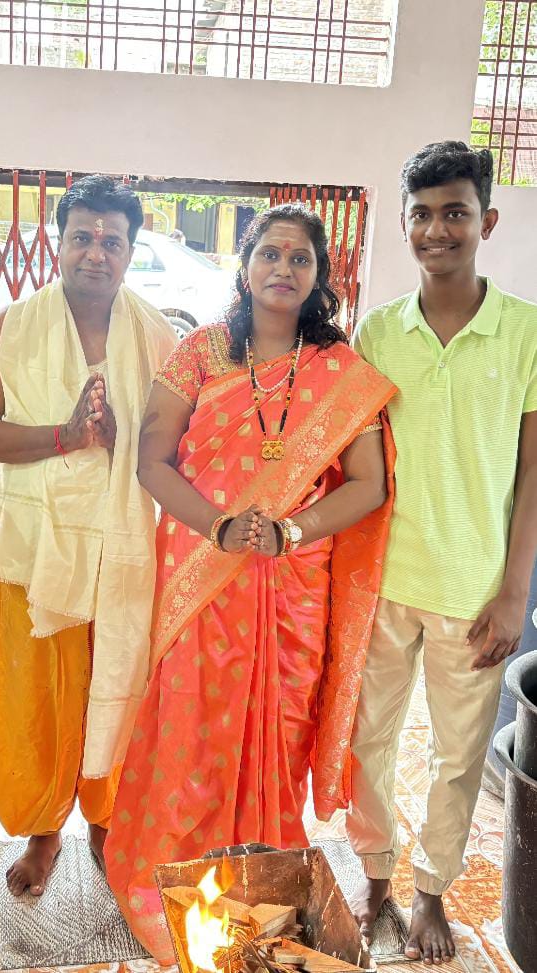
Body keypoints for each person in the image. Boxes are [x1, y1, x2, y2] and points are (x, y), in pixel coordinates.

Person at [105, 204, 396, 964]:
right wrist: (218, 526)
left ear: (317, 275)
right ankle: (179, 868)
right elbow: (151, 458)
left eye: (299, 258)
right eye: (268, 253)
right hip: (206, 575)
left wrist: (293, 529)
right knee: (190, 721)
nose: (282, 269)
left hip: (294, 585)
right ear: (244, 265)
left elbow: (369, 484)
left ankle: (260, 865)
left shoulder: (341, 370)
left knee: (280, 729)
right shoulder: (200, 353)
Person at [0, 175, 178, 897]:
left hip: (121, 551)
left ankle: (107, 822)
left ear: (130, 250)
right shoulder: (11, 327)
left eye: (111, 241)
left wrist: (122, 438)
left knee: (116, 688)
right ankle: (45, 829)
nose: (95, 253)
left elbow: (177, 450)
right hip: (36, 548)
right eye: (80, 237)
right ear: (57, 243)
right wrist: (63, 434)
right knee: (38, 699)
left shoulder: (157, 337)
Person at [346, 141, 537, 966]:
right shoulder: (376, 332)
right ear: (403, 224)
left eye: (453, 212)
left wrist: (512, 592)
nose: (436, 229)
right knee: (366, 742)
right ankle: (374, 878)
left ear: (484, 220)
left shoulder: (526, 331)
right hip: (380, 580)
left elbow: (533, 469)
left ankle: (429, 890)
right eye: (420, 215)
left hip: (474, 586)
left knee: (457, 758)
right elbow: (347, 459)